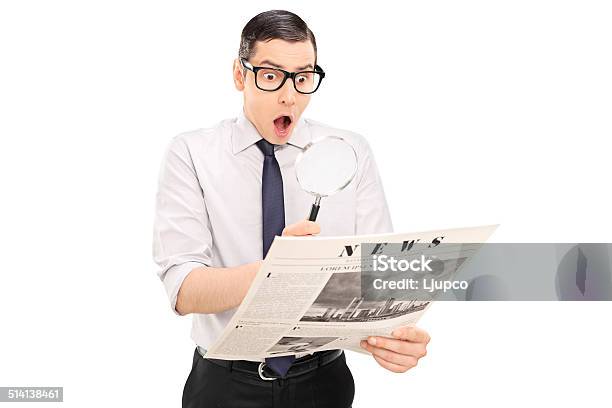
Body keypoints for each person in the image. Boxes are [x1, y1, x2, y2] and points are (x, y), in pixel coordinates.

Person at [152, 9, 431, 408]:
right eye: (270, 76)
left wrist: (393, 341)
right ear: (239, 75)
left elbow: (375, 283)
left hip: (325, 382)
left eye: (303, 78)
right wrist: (275, 271)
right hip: (224, 386)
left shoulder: (350, 150)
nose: (290, 96)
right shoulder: (192, 153)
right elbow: (183, 290)